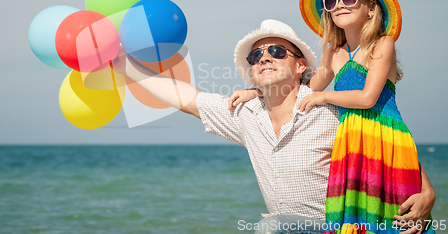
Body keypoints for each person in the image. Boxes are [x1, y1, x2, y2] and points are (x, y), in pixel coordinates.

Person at [112, 18, 435, 234]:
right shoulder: (244, 112)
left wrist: (427, 191)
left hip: (340, 224)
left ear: (300, 65)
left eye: (276, 51)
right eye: (256, 56)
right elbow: (185, 97)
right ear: (251, 71)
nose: (264, 58)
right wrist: (123, 64)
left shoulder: (328, 103)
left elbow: (384, 137)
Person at [232, 0, 436, 234]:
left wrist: (325, 96)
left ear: (371, 9)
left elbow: (367, 98)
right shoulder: (333, 53)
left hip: (385, 137)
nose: (339, 4)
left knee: (396, 216)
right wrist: (257, 92)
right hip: (351, 141)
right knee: (357, 220)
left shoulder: (382, 45)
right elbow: (302, 90)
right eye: (331, 1)